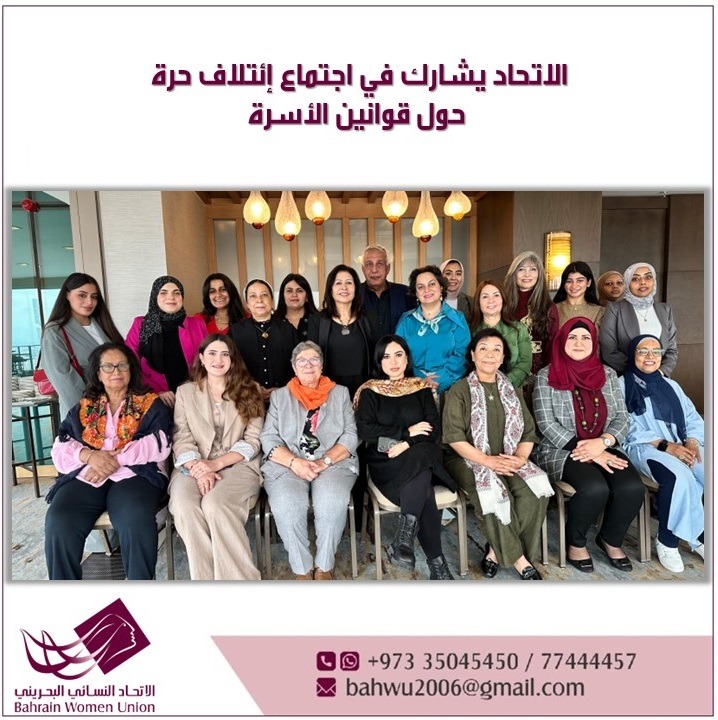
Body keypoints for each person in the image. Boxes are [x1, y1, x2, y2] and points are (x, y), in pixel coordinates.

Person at [44, 342, 172, 580]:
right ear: (98, 373)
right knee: (60, 520)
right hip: (89, 474)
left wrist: (115, 459)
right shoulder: (84, 407)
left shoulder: (149, 403)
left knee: (135, 518)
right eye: (108, 366)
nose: (116, 371)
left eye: (122, 365)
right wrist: (90, 456)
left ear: (131, 369)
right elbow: (61, 445)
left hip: (135, 475)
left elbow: (160, 442)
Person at [533, 318, 644, 573]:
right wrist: (590, 451)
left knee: (631, 487)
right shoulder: (546, 376)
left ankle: (610, 540)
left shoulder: (607, 374)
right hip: (561, 450)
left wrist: (603, 443)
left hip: (605, 446)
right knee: (594, 488)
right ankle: (576, 543)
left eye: (585, 337)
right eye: (572, 337)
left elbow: (622, 418)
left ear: (593, 342)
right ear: (562, 341)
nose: (579, 343)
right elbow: (546, 424)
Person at [443, 329, 552, 580]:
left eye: (496, 350)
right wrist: (487, 461)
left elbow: (528, 431)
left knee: (533, 491)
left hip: (507, 458)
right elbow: (454, 437)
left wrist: (520, 459)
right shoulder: (459, 390)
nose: (489, 354)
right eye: (483, 348)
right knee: (492, 491)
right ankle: (520, 560)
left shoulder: (511, 390)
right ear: (473, 355)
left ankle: (494, 552)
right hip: (466, 460)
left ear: (503, 358)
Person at [355, 335, 456, 580]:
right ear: (379, 361)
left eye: (398, 355)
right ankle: (438, 567)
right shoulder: (370, 391)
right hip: (386, 458)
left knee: (423, 454)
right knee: (424, 486)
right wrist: (406, 434)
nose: (393, 362)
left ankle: (404, 540)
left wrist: (407, 444)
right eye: (386, 356)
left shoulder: (420, 388)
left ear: (407, 359)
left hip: (418, 453)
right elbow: (366, 431)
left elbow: (433, 430)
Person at [259, 341, 359, 580]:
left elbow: (351, 434)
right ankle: (302, 568)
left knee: (331, 501)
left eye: (314, 359)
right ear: (294, 367)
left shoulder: (340, 393)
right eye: (301, 361)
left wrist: (325, 461)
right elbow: (268, 437)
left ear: (322, 365)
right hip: (288, 464)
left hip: (332, 462)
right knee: (287, 504)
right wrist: (294, 462)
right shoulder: (280, 396)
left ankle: (324, 566)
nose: (308, 365)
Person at [169, 334, 265, 580]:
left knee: (215, 504)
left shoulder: (251, 389)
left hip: (238, 463)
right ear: (201, 358)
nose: (218, 359)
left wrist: (216, 464)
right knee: (185, 505)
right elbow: (181, 436)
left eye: (225, 354)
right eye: (212, 353)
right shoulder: (185, 392)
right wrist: (199, 468)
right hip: (193, 464)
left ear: (233, 360)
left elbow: (253, 439)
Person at [620, 335, 704, 572]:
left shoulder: (671, 385)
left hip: (682, 443)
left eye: (655, 352)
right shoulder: (621, 385)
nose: (650, 357)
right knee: (679, 477)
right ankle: (667, 540)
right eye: (643, 351)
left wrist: (692, 442)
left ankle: (700, 535)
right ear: (633, 355)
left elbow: (691, 416)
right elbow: (623, 425)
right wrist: (666, 446)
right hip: (646, 447)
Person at [39, 272, 124, 419]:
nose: (89, 302)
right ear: (67, 295)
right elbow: (65, 380)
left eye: (94, 297)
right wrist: (91, 414)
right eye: (82, 295)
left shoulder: (102, 325)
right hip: (85, 413)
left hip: (118, 408)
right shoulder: (55, 331)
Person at [125, 275, 207, 409]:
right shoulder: (141, 324)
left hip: (194, 398)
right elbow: (129, 363)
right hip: (155, 400)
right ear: (155, 297)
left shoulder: (197, 324)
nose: (171, 297)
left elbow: (208, 361)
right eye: (163, 293)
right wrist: (154, 393)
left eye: (176, 293)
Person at [395, 265, 470, 394]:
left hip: (450, 388)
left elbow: (463, 354)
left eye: (432, 284)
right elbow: (398, 353)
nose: (427, 290)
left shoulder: (457, 318)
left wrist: (439, 380)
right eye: (421, 287)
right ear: (416, 293)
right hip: (413, 386)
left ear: (441, 287)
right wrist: (421, 379)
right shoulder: (406, 320)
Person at [308, 265, 377, 399]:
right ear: (330, 289)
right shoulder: (317, 320)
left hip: (364, 389)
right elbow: (311, 357)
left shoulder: (369, 318)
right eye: (338, 283)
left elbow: (376, 355)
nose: (344, 287)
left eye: (349, 283)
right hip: (328, 390)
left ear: (356, 289)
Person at [599, 262, 678, 377]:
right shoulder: (615, 309)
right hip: (627, 377)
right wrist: (639, 372)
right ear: (627, 283)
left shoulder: (665, 310)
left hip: (659, 377)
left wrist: (661, 372)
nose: (643, 282)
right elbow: (609, 351)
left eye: (648, 277)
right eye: (635, 279)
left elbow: (671, 350)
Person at [228, 279, 297, 403]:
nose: (259, 300)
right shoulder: (235, 331)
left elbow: (298, 364)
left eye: (264, 295)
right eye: (253, 296)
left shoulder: (287, 329)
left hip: (284, 398)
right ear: (247, 303)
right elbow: (230, 366)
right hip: (247, 399)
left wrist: (282, 390)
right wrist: (251, 386)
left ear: (272, 300)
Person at [503, 251, 559, 384]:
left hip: (538, 369)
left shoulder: (548, 307)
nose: (527, 274)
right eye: (521, 269)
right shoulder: (502, 302)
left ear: (539, 274)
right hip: (507, 365)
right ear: (513, 273)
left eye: (533, 269)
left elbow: (552, 345)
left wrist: (545, 376)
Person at [470, 280, 532, 389]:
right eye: (485, 296)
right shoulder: (470, 330)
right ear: (478, 303)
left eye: (496, 295)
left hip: (512, 388)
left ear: (503, 299)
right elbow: (465, 363)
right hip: (477, 389)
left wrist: (503, 384)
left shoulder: (519, 329)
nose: (491, 300)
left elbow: (525, 363)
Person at [360, 244, 415, 337]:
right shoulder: (353, 294)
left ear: (388, 268)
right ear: (363, 269)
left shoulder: (405, 293)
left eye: (380, 264)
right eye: (369, 264)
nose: (374, 270)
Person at [552, 261, 605, 329]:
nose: (574, 285)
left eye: (579, 281)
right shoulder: (552, 310)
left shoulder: (599, 312)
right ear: (564, 284)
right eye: (569, 281)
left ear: (588, 283)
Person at [274, 273, 319, 341]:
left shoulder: (319, 321)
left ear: (307, 296)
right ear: (282, 296)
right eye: (289, 291)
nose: (294, 295)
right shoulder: (273, 322)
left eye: (299, 291)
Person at [440, 258, 471, 324]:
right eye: (448, 273)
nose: (453, 278)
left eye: (458, 274)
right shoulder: (431, 301)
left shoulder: (470, 302)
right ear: (441, 276)